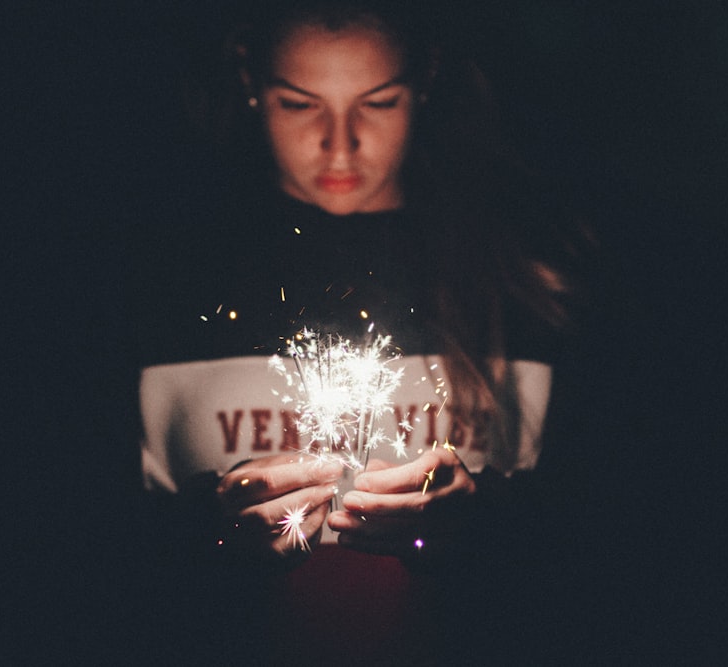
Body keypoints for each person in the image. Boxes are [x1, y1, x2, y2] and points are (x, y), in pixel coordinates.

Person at [128, 1, 606, 663]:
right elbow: (90, 547)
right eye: (299, 104)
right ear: (249, 81)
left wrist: (492, 533)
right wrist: (206, 537)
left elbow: (602, 544)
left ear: (426, 79)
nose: (340, 142)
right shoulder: (165, 286)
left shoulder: (527, 282)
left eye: (378, 103)